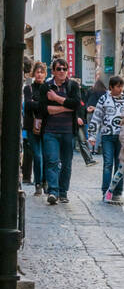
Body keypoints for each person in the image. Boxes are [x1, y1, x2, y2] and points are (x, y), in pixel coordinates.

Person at [35, 58, 82, 205]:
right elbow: (43, 109)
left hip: (68, 131)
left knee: (67, 163)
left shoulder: (73, 86)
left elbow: (76, 105)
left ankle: (63, 192)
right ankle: (53, 192)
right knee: (52, 161)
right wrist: (66, 106)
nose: (62, 71)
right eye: (59, 69)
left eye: (64, 69)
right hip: (50, 131)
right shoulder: (46, 87)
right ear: (53, 71)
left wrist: (56, 99)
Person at [91, 76, 124, 202]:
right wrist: (92, 135)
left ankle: (118, 191)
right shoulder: (103, 99)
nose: (120, 89)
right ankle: (106, 191)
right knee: (108, 164)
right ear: (111, 87)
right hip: (107, 136)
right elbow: (97, 117)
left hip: (122, 137)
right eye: (117, 86)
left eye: (121, 86)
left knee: (120, 165)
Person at [22, 61, 47, 194]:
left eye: (42, 72)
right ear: (33, 73)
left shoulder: (48, 88)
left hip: (47, 127)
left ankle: (45, 182)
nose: (39, 74)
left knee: (47, 156)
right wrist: (42, 105)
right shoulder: (28, 88)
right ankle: (38, 183)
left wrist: (36, 104)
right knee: (37, 156)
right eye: (37, 72)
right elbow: (28, 104)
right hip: (32, 127)